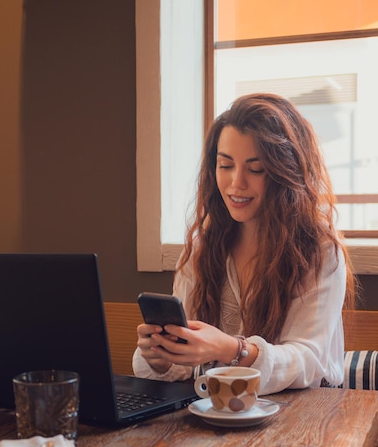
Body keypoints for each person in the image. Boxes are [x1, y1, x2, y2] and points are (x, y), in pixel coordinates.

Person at [132, 93, 356, 394]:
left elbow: (309, 360)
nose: (237, 183)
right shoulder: (202, 247)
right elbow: (184, 357)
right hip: (219, 413)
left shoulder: (319, 251)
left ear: (285, 172)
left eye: (255, 169)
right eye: (226, 166)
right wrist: (161, 355)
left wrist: (232, 349)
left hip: (305, 419)